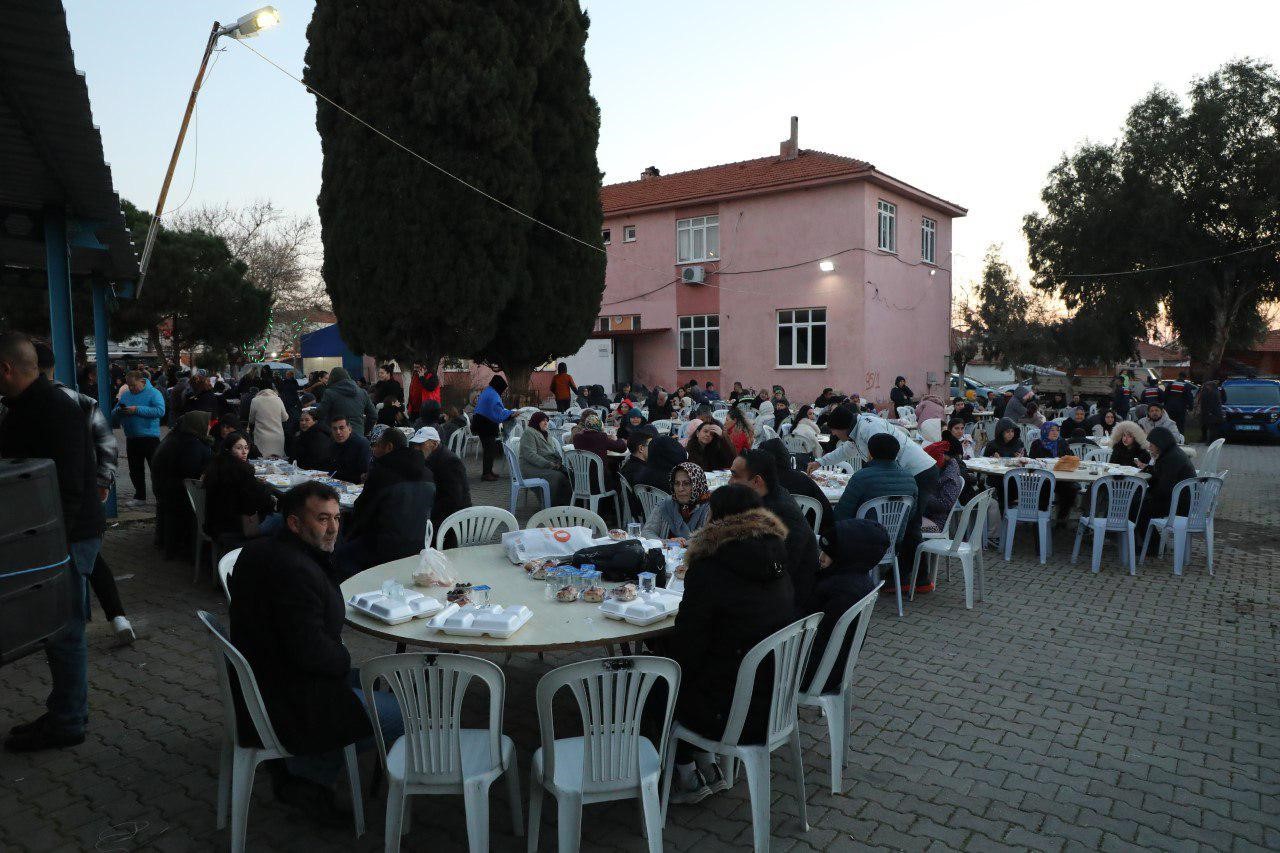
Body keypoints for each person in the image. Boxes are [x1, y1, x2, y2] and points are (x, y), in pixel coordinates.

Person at [230, 481, 403, 814]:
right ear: (294, 523)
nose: (334, 528)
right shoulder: (296, 570)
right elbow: (312, 653)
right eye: (322, 519)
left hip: (265, 681)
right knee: (414, 709)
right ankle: (311, 782)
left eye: (337, 518)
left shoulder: (262, 550)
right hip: (290, 700)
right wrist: (342, 657)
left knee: (364, 677)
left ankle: (309, 769)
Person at [1, 333, 106, 751]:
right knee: (59, 627)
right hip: (53, 536)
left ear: (6, 369)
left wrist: (52, 545)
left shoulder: (53, 409)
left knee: (65, 629)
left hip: (66, 536)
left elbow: (69, 488)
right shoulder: (28, 406)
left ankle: (68, 721)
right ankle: (65, 710)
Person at [664, 485, 795, 804]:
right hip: (775, 697)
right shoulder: (776, 556)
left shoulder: (710, 567)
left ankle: (684, 771)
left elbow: (687, 648)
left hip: (732, 710)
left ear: (716, 518)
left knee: (659, 682)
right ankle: (706, 763)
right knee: (700, 662)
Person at [29, 345, 134, 644]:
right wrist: (102, 486)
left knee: (74, 565)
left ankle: (61, 633)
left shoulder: (15, 407)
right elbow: (108, 447)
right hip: (84, 502)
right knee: (90, 559)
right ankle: (117, 617)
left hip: (42, 506)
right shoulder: (82, 401)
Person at [808, 408, 938, 585]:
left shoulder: (871, 429)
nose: (833, 434)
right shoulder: (857, 430)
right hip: (905, 473)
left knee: (910, 524)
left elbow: (888, 452)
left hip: (920, 472)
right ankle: (897, 571)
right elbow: (846, 451)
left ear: (843, 428)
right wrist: (820, 462)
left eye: (834, 430)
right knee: (904, 523)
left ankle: (917, 578)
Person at [335, 428, 435, 581]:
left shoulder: (381, 474)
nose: (374, 449)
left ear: (388, 447)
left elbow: (361, 512)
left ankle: (351, 592)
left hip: (384, 547)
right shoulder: (428, 473)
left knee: (340, 554)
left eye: (377, 445)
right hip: (419, 543)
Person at [804, 518, 889, 693]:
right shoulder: (859, 581)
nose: (821, 558)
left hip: (814, 673)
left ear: (847, 556)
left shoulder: (842, 591)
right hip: (832, 669)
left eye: (828, 555)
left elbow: (813, 632)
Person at [731, 449, 819, 606]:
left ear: (757, 481)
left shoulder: (780, 514)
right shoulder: (768, 498)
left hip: (784, 606)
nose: (729, 482)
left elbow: (778, 570)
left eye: (735, 475)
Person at [151, 410, 215, 559]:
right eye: (208, 424)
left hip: (165, 489)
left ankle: (169, 545)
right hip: (178, 492)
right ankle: (194, 550)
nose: (210, 427)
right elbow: (192, 471)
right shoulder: (192, 444)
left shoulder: (176, 438)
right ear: (198, 425)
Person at [202, 432, 277, 549]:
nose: (244, 452)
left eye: (246, 448)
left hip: (214, 524)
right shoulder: (241, 471)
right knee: (282, 520)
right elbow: (256, 502)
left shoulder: (215, 466)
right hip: (236, 527)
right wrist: (265, 489)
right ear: (228, 449)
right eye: (239, 448)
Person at [759, 437, 834, 541]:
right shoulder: (804, 480)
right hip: (808, 539)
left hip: (769, 542)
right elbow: (827, 514)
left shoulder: (760, 483)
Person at [111, 369, 166, 507]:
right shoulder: (126, 395)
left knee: (156, 469)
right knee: (135, 469)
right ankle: (140, 496)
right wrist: (120, 411)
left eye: (133, 385)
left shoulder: (154, 393)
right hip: (132, 437)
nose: (131, 388)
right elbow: (114, 412)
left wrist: (137, 410)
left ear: (142, 381)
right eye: (129, 386)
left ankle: (161, 496)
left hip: (150, 437)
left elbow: (160, 411)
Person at [1136, 428, 1198, 538]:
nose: (1149, 447)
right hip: (1183, 499)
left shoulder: (1170, 459)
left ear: (1160, 443)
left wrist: (1146, 492)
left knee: (1138, 507)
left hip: (1179, 505)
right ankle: (1145, 542)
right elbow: (1160, 473)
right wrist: (1148, 469)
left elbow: (1164, 489)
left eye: (1151, 444)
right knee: (1139, 502)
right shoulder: (1172, 453)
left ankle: (1151, 545)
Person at [409, 427, 472, 533]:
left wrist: (425, 512)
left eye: (420, 445)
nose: (416, 448)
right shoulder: (429, 457)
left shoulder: (449, 462)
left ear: (434, 444)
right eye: (415, 445)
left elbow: (452, 500)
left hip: (453, 519)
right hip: (441, 511)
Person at [1027, 422, 1080, 526]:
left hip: (1061, 478)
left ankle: (1061, 518)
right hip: (1043, 478)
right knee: (1044, 489)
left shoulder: (1062, 443)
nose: (1055, 433)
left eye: (1057, 430)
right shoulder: (1037, 444)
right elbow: (1032, 462)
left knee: (1072, 489)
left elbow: (1071, 457)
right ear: (1045, 431)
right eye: (1052, 430)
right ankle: (1041, 518)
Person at [642, 461, 711, 539]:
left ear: (698, 485)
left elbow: (710, 542)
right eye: (676, 483)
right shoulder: (666, 504)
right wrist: (666, 543)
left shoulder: (709, 508)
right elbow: (647, 532)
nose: (680, 489)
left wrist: (683, 544)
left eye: (686, 483)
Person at [518, 412, 571, 505]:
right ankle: (550, 504)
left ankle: (567, 503)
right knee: (558, 476)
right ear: (536, 421)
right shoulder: (529, 432)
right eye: (543, 420)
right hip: (531, 468)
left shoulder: (546, 433)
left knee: (569, 474)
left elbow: (553, 450)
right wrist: (549, 464)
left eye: (547, 420)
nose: (546, 423)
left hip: (545, 466)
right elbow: (530, 455)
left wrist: (557, 461)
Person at [314, 366, 376, 437]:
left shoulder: (329, 393)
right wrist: (364, 431)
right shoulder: (362, 392)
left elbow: (320, 414)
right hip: (358, 435)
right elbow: (373, 416)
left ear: (332, 379)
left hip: (338, 436)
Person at [472, 375, 513, 481]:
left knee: (490, 449)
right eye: (502, 390)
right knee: (489, 449)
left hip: (482, 423)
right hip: (484, 425)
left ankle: (489, 471)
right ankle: (486, 474)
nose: (502, 392)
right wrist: (511, 413)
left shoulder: (488, 391)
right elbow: (498, 411)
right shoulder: (492, 395)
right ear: (499, 386)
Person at [922, 437, 965, 533]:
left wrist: (923, 494)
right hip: (926, 515)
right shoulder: (941, 471)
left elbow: (945, 505)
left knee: (905, 526)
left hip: (936, 522)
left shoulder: (950, 478)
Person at [327, 416, 372, 484]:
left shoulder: (362, 444)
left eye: (341, 428)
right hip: (338, 482)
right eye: (335, 429)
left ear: (349, 429)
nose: (338, 432)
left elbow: (364, 474)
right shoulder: (334, 444)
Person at [247, 387, 289, 458]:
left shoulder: (255, 400)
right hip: (277, 436)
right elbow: (285, 418)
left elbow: (251, 420)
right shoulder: (278, 400)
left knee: (261, 460)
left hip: (261, 436)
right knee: (278, 461)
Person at [1196, 379, 1224, 444]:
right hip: (1215, 413)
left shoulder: (1213, 393)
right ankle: (1211, 440)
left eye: (1208, 386)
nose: (1207, 387)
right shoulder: (1215, 392)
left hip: (1213, 413)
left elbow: (1212, 404)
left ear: (1211, 386)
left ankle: (1211, 441)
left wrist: (1210, 412)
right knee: (1212, 427)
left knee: (1212, 428)